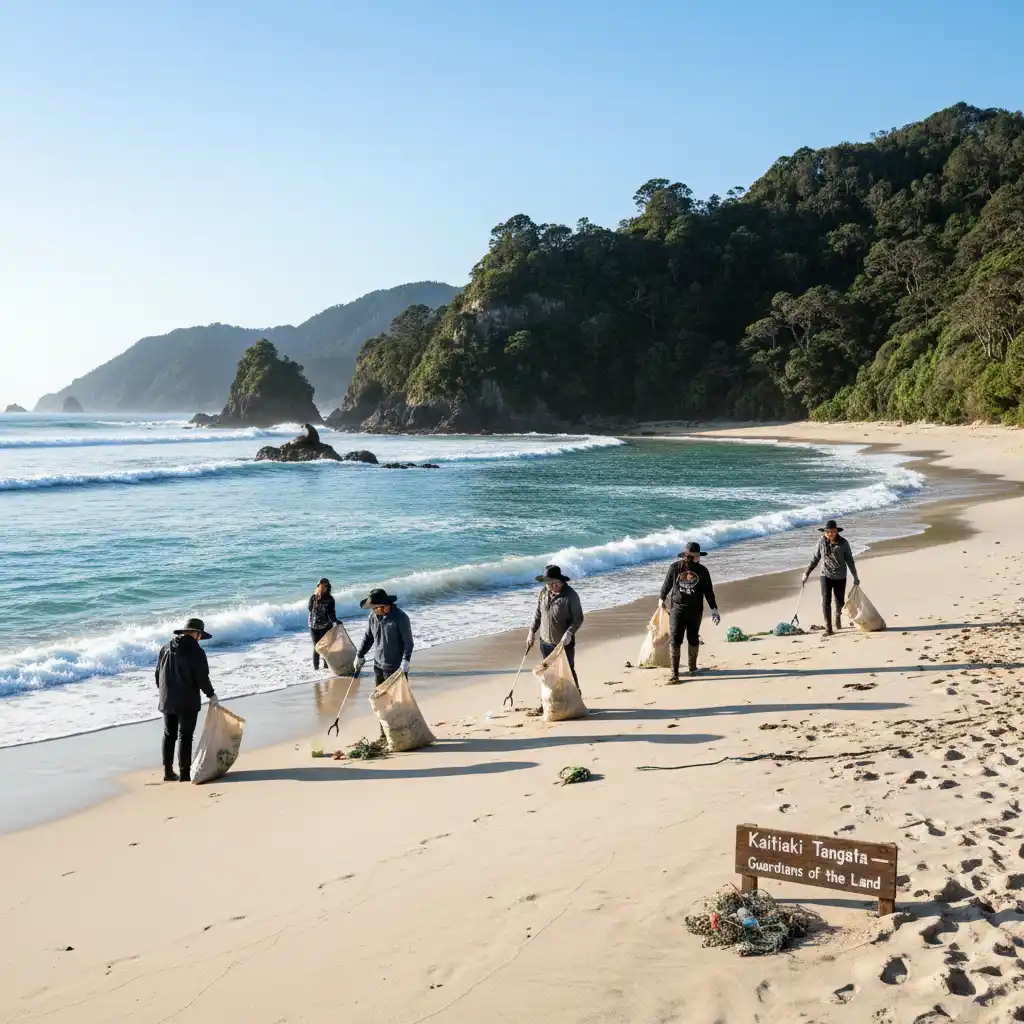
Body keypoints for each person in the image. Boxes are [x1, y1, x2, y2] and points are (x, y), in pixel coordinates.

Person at [155, 617, 217, 782]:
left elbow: (157, 675)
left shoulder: (165, 648)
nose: (200, 639)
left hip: (167, 699)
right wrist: (211, 694)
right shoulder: (196, 652)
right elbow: (202, 678)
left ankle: (168, 772)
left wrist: (165, 693)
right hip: (187, 700)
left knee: (169, 735)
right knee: (185, 736)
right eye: (200, 636)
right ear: (196, 634)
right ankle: (184, 774)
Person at [659, 542, 720, 681]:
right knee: (676, 639)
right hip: (677, 609)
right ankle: (675, 674)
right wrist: (661, 598)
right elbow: (667, 585)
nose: (699, 558)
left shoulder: (703, 571)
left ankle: (692, 668)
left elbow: (708, 592)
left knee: (692, 639)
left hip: (694, 610)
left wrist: (714, 609)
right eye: (698, 556)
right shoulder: (675, 568)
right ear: (693, 556)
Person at [525, 565, 584, 692]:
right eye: (547, 583)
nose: (549, 586)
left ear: (559, 582)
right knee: (548, 673)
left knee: (568, 672)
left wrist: (569, 633)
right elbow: (538, 613)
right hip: (545, 642)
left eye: (551, 583)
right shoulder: (544, 593)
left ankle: (575, 698)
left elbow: (578, 619)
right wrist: (531, 632)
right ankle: (549, 701)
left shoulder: (571, 596)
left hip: (563, 644)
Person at [802, 519, 859, 635]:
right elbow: (815, 559)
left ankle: (837, 620)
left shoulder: (844, 543)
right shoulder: (821, 542)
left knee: (839, 603)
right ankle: (829, 629)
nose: (830, 534)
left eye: (832, 532)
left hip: (840, 576)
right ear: (825, 532)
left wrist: (855, 577)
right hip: (825, 575)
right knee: (825, 601)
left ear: (836, 531)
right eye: (828, 532)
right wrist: (806, 573)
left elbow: (850, 561)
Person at [353, 588, 414, 685]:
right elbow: (368, 638)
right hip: (378, 666)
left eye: (376, 607)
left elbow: (408, 642)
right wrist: (359, 655)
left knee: (397, 699)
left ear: (385, 606)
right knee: (380, 698)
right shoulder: (372, 617)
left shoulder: (401, 618)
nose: (374, 610)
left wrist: (406, 660)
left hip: (396, 668)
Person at [308, 577, 339, 670]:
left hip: (326, 625)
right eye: (321, 585)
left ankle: (326, 667)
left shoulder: (330, 599)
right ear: (318, 586)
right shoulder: (313, 597)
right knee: (317, 648)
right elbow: (309, 609)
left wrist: (335, 621)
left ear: (327, 587)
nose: (323, 587)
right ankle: (316, 670)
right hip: (313, 626)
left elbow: (331, 613)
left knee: (326, 647)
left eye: (325, 586)